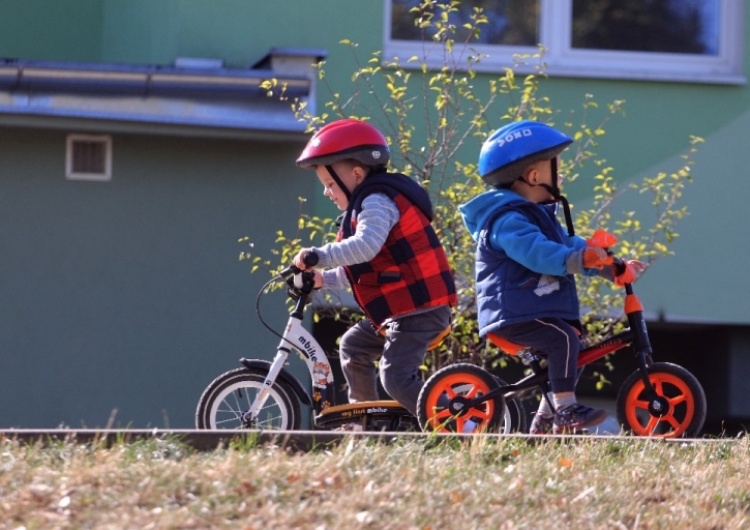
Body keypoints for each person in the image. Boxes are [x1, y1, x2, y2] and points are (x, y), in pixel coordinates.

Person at [459, 120, 645, 434]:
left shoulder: (538, 217)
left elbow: (570, 245)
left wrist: (609, 265)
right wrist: (577, 258)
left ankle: (546, 419)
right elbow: (538, 253)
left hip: (532, 310)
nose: (560, 177)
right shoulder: (507, 221)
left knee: (576, 350)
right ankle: (565, 409)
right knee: (563, 340)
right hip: (512, 313)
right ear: (534, 176)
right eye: (555, 169)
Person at [292, 118, 457, 425]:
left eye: (329, 184)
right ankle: (365, 423)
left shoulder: (378, 202)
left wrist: (320, 255)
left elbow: (365, 247)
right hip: (401, 310)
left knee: (395, 377)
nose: (327, 193)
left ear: (356, 174)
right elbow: (361, 267)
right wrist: (323, 278)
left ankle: (454, 425)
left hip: (420, 309)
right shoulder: (359, 210)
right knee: (353, 347)